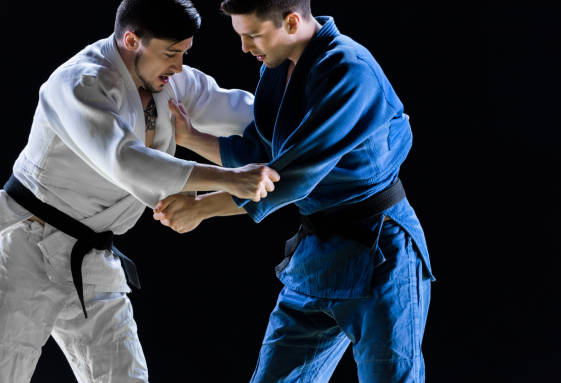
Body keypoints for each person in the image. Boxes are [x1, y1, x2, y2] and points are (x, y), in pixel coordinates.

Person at [0, 0, 280, 382]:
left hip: (92, 257)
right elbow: (126, 160)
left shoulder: (169, 81)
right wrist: (227, 177)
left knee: (125, 377)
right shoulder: (80, 82)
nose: (179, 66)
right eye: (171, 54)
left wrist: (306, 118)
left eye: (184, 53)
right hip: (27, 247)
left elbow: (237, 111)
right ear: (132, 40)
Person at [154, 0, 434, 381]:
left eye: (252, 35)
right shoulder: (280, 66)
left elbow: (295, 174)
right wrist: (191, 137)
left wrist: (203, 207)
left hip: (380, 252)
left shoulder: (350, 71)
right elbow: (262, 151)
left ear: (291, 21)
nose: (245, 47)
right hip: (317, 254)